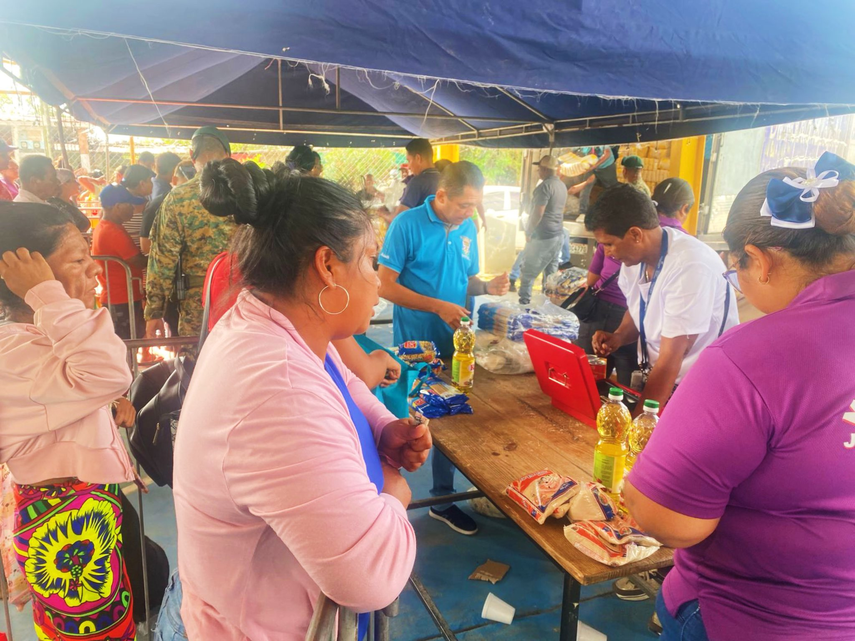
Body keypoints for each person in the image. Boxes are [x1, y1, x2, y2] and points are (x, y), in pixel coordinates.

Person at [171, 158, 423, 640]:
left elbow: (336, 376)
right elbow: (370, 577)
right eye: (369, 260)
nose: (377, 280)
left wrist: (380, 425)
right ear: (327, 266)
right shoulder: (276, 387)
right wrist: (394, 493)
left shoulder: (267, 320)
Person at [624, 153, 855, 641]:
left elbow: (669, 520)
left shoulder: (752, 357)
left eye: (737, 270)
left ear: (761, 260)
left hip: (753, 616)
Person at [0, 202, 145, 640]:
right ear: (29, 276)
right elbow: (107, 372)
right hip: (65, 528)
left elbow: (88, 386)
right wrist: (46, 294)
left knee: (105, 625)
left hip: (81, 516)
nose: (95, 270)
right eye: (79, 261)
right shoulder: (16, 354)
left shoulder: (44, 340)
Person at [379, 161, 509, 536]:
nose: (470, 212)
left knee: (454, 417)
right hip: (418, 342)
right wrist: (437, 306)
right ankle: (389, 500)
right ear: (441, 196)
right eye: (464, 205)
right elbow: (385, 286)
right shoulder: (406, 225)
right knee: (419, 420)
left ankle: (442, 498)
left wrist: (488, 287)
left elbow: (467, 280)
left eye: (474, 205)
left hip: (457, 341)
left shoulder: (467, 227)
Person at [588, 184, 738, 412]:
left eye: (609, 244)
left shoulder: (690, 265)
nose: (607, 253)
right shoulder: (634, 261)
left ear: (636, 234)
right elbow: (639, 308)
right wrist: (619, 336)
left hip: (701, 387)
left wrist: (641, 421)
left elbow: (671, 358)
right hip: (665, 380)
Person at [146, 126, 235, 338]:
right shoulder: (250, 192)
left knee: (197, 357)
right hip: (246, 300)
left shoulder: (178, 198)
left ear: (191, 155)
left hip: (199, 304)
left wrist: (154, 310)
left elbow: (162, 259)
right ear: (228, 154)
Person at [91, 184, 148, 339]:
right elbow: (138, 261)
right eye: (129, 205)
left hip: (120, 295)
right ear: (117, 207)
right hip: (122, 298)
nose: (133, 209)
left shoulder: (106, 226)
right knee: (127, 342)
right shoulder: (113, 232)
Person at [518, 155, 568, 305]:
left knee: (528, 272)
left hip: (543, 237)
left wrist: (528, 231)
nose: (538, 171)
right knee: (550, 275)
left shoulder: (544, 187)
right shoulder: (562, 186)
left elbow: (538, 213)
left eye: (539, 168)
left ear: (545, 169)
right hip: (558, 235)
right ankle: (547, 306)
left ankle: (524, 304)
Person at [141, 159, 195, 255]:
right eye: (187, 184)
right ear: (174, 180)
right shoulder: (156, 205)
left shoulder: (205, 204)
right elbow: (145, 246)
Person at [380, 138, 440, 222]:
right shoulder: (443, 178)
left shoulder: (417, 182)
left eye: (409, 160)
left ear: (418, 158)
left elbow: (399, 219)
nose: (409, 166)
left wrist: (382, 213)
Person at [569, 146, 619, 216]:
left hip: (606, 166)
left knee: (612, 189)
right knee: (586, 187)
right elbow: (572, 153)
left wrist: (594, 166)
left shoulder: (601, 143)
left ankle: (616, 211)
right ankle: (582, 213)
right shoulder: (581, 144)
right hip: (590, 166)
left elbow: (607, 154)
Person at [121, 164, 155, 248]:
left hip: (119, 252)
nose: (152, 184)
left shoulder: (113, 203)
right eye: (150, 181)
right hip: (140, 253)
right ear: (142, 183)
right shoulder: (146, 206)